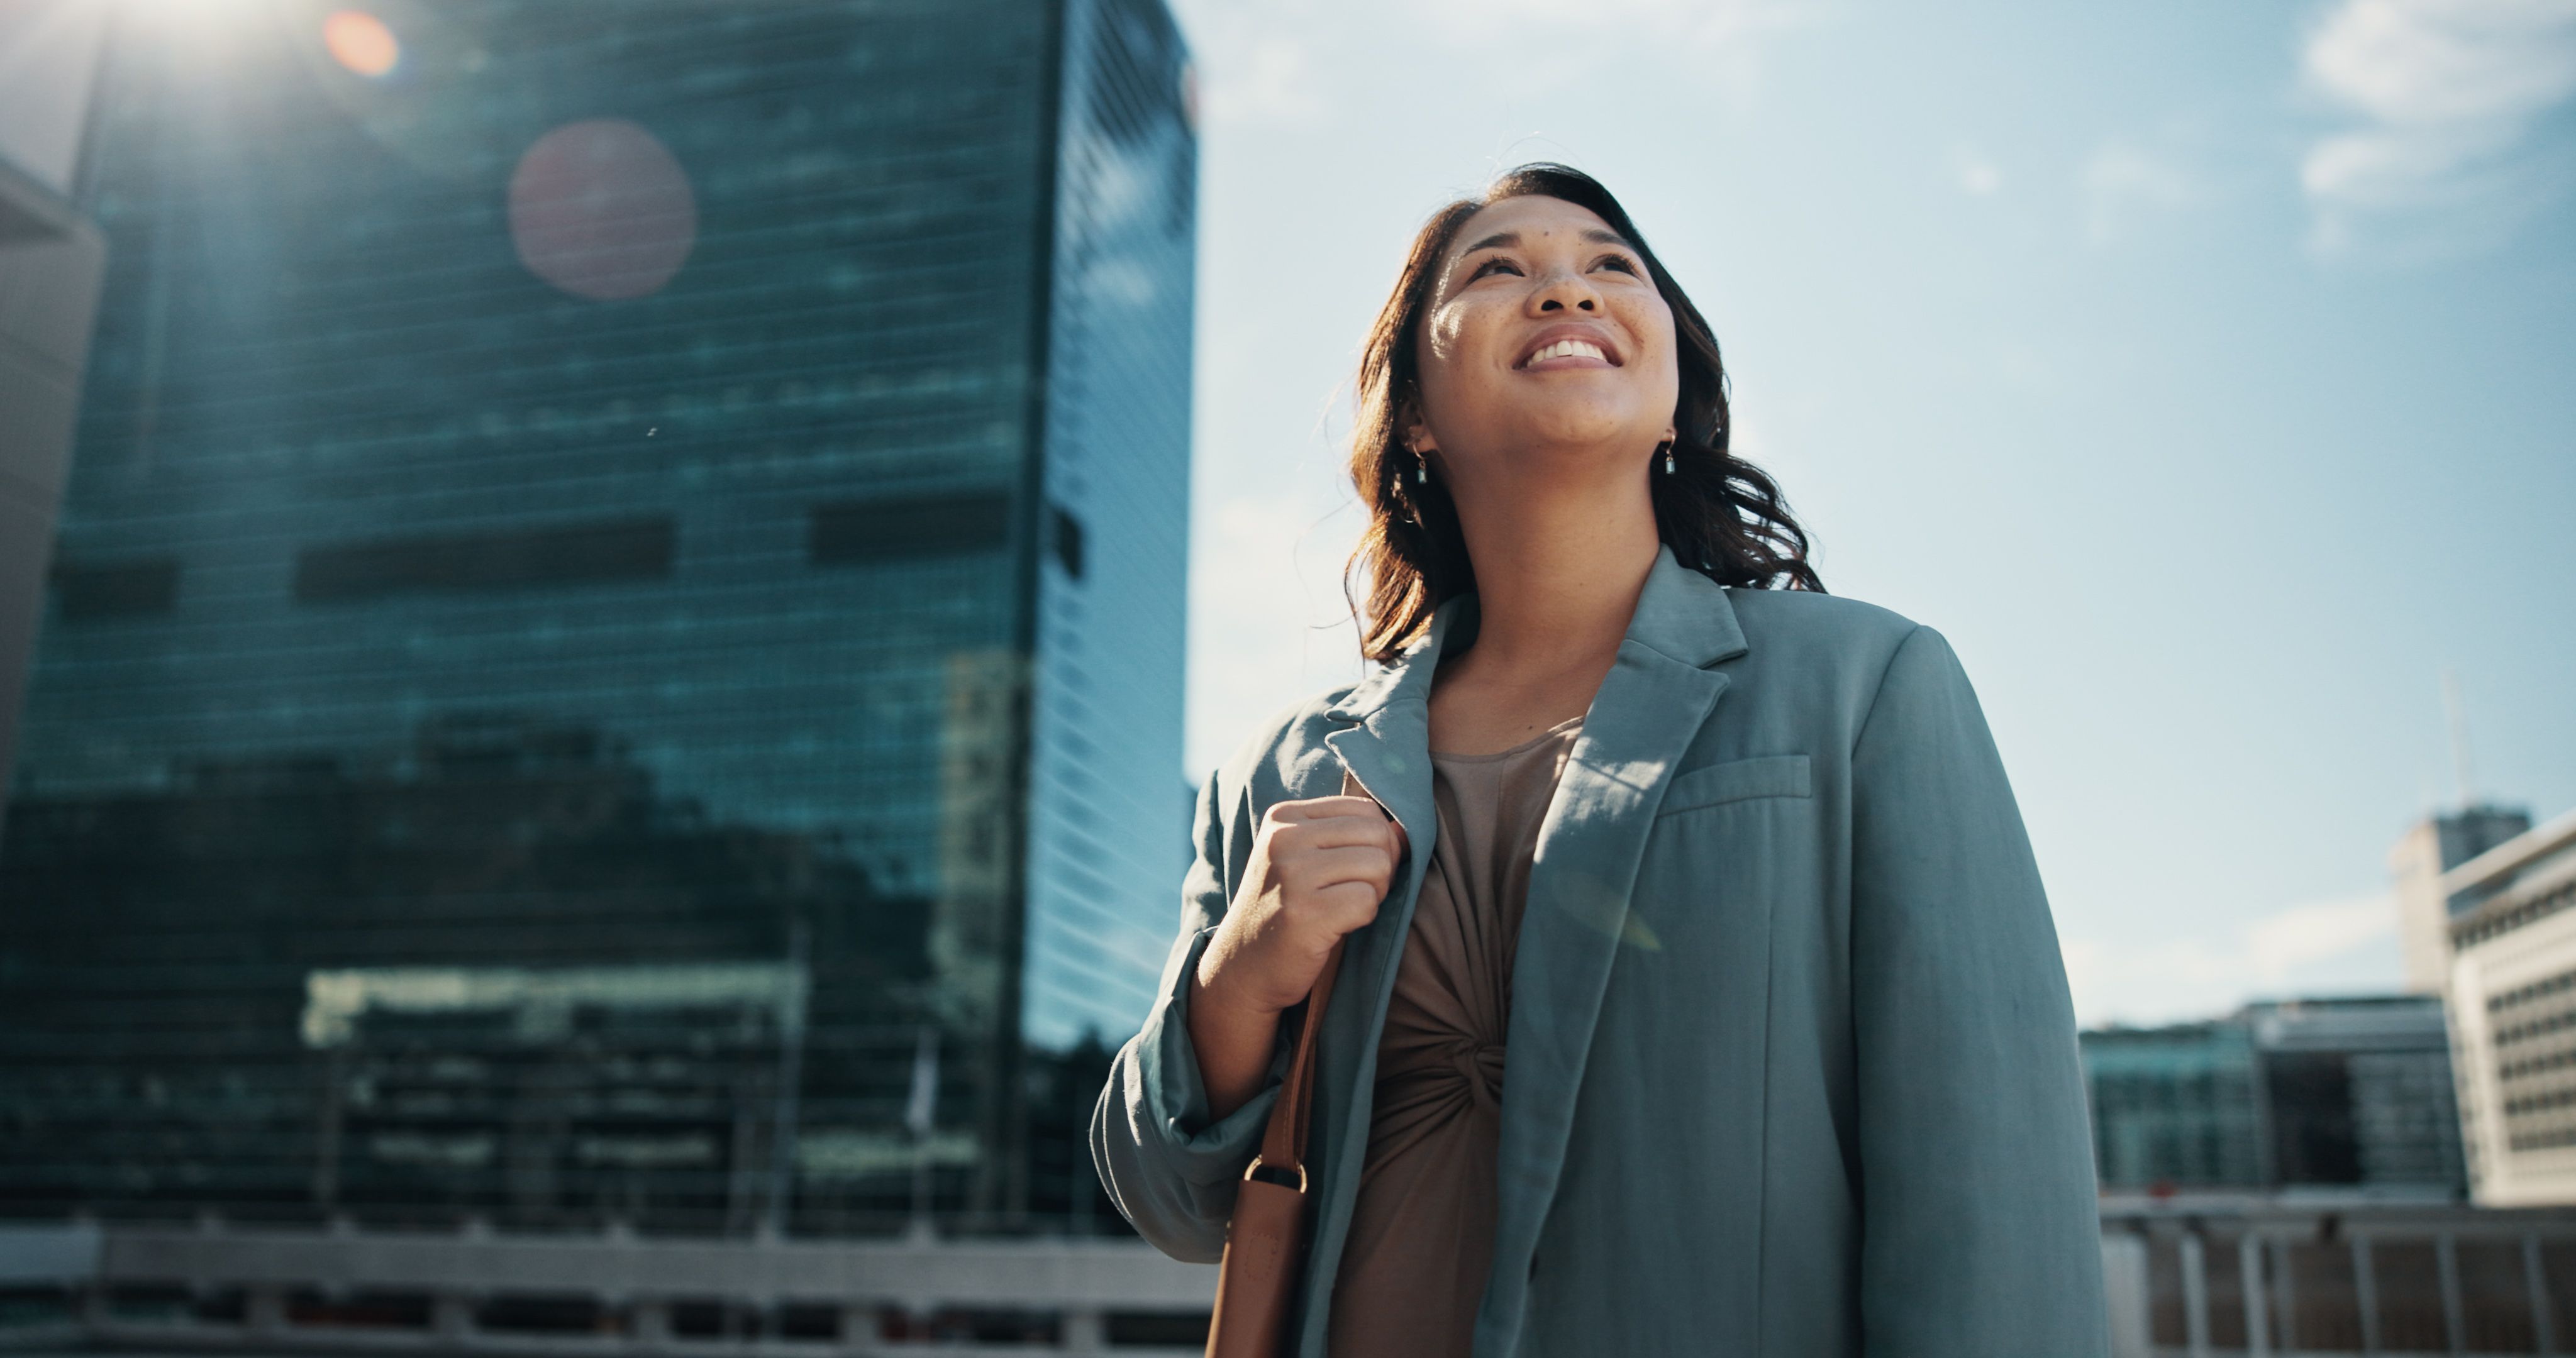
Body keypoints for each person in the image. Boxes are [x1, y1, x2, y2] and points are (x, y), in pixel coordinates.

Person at [1090, 163, 2107, 1357]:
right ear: (1411, 407)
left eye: (1611, 268)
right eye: (1499, 269)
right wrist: (1243, 974)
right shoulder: (1279, 772)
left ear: (1672, 387)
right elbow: (1169, 1202)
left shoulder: (1866, 688)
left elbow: (1995, 1191)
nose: (1566, 290)